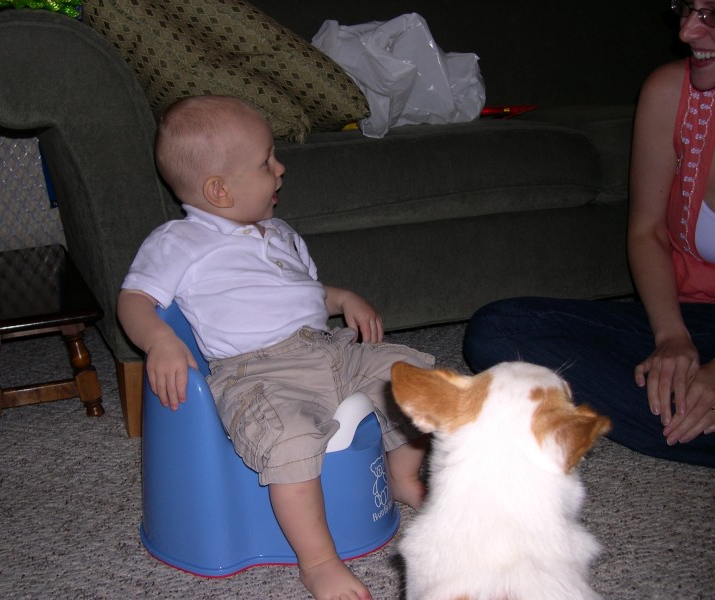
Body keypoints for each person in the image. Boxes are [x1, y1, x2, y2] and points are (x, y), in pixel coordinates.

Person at [117, 95, 434, 600]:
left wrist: (343, 296)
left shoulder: (280, 233)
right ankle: (319, 562)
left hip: (329, 349)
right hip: (257, 372)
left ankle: (399, 478)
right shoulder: (179, 240)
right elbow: (134, 299)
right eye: (267, 162)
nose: (281, 168)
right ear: (219, 191)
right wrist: (160, 341)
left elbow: (304, 296)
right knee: (288, 440)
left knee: (419, 386)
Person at [463, 0, 715, 469]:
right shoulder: (672, 91)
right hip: (694, 319)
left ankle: (679, 416)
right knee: (499, 331)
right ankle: (683, 412)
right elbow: (648, 231)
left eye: (711, 14)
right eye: (686, 8)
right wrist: (671, 337)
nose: (686, 32)